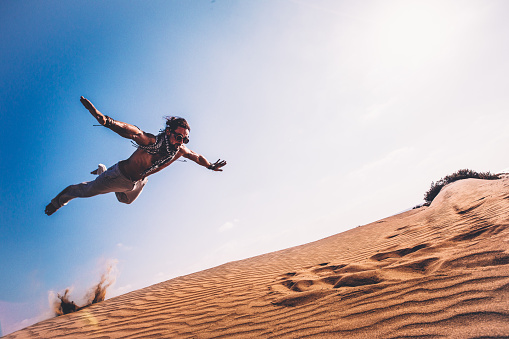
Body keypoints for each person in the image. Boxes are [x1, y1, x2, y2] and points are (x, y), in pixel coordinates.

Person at [45, 96, 226, 216]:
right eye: (178, 137)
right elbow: (134, 132)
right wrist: (107, 121)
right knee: (85, 191)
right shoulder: (153, 141)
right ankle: (57, 202)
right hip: (119, 176)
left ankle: (101, 170)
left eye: (185, 139)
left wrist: (210, 165)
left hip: (138, 182)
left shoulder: (180, 149)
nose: (181, 141)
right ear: (169, 132)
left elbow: (196, 156)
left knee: (125, 201)